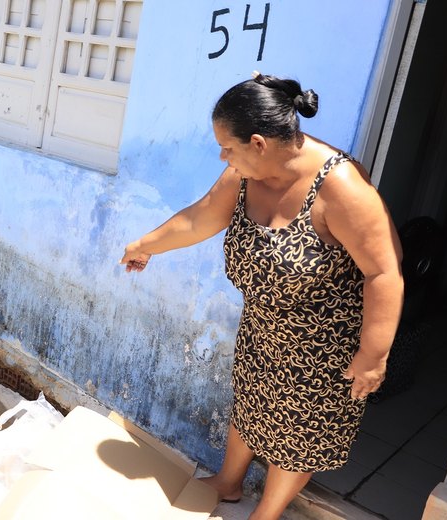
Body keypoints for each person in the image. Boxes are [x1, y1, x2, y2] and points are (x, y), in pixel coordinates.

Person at [119, 73, 403, 519]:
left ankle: (266, 513)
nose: (222, 155)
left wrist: (374, 354)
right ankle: (228, 484)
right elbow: (201, 218)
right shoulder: (245, 171)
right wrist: (145, 245)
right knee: (251, 404)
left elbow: (385, 271)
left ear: (258, 142)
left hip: (323, 344)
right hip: (264, 324)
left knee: (299, 435)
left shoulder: (342, 189)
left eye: (227, 146)